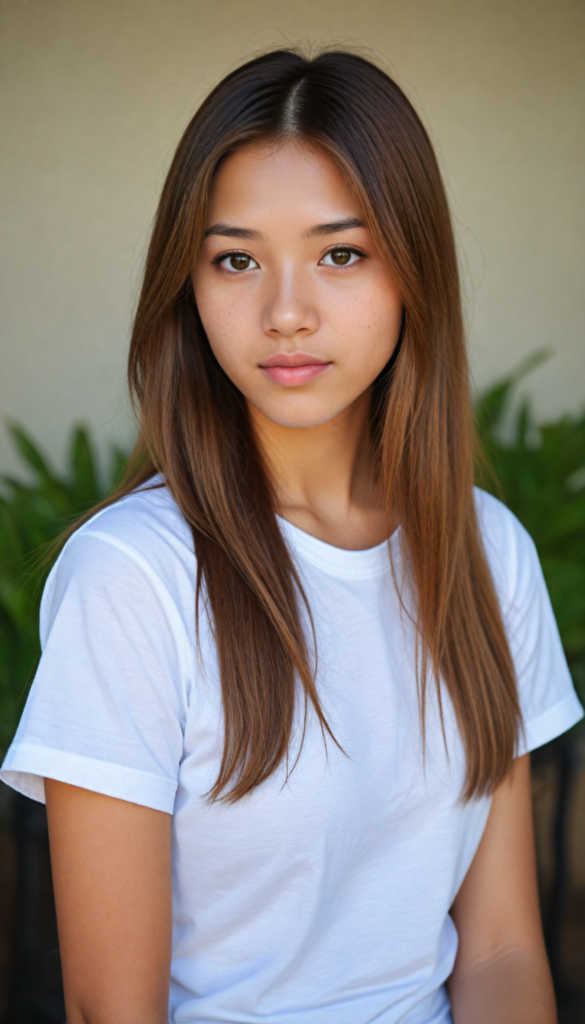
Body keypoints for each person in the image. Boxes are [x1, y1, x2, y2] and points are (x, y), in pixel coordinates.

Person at [1, 47, 582, 1024]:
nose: (285, 313)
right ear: (188, 286)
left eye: (339, 253)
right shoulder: (132, 576)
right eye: (236, 259)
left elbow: (502, 948)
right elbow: (112, 1006)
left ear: (413, 271)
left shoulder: (488, 552)